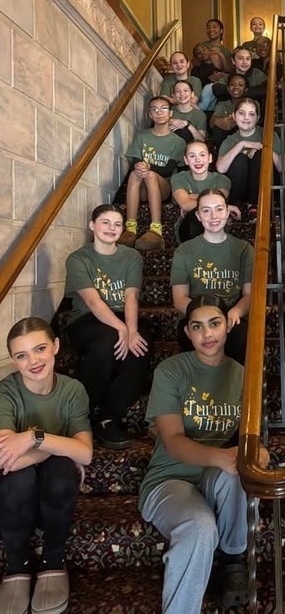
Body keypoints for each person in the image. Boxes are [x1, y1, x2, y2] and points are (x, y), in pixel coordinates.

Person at [139, 295, 269, 614]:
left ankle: (234, 560)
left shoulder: (243, 375)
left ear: (227, 326)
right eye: (197, 327)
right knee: (200, 525)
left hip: (214, 481)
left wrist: (258, 454)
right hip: (169, 479)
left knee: (236, 471)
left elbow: (253, 437)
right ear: (188, 333)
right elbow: (172, 441)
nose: (207, 334)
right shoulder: (171, 370)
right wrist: (223, 458)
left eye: (214, 324)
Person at [0, 317, 92, 614]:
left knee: (63, 472)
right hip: (15, 493)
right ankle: (17, 563)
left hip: (55, 490)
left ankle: (54, 559)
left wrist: (33, 437)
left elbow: (85, 454)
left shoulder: (73, 390)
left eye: (40, 349)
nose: (33, 361)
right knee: (20, 478)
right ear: (14, 360)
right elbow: (7, 460)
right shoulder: (6, 391)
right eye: (22, 355)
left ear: (56, 346)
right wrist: (57, 445)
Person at [65, 204, 151, 449]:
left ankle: (108, 416)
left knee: (140, 345)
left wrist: (131, 330)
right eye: (105, 222)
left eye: (117, 224)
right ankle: (81, 414)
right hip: (85, 319)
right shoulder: (78, 258)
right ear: (92, 225)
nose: (112, 228)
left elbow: (131, 295)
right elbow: (93, 302)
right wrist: (121, 329)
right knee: (107, 341)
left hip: (122, 315)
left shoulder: (132, 257)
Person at [171, 190, 253, 365]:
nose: (213, 216)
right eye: (206, 210)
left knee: (239, 340)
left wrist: (234, 313)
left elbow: (249, 294)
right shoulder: (184, 251)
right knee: (193, 338)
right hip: (195, 313)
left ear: (227, 212)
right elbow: (179, 299)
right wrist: (206, 318)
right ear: (198, 216)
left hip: (232, 313)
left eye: (219, 209)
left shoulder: (244, 249)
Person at [119, 96, 186, 251]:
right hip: (142, 187)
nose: (159, 112)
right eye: (154, 109)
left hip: (163, 187)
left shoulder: (178, 141)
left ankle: (156, 228)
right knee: (134, 174)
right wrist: (139, 165)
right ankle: (130, 228)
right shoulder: (142, 136)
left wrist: (148, 166)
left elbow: (168, 169)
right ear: (150, 114)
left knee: (150, 175)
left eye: (164, 109)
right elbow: (135, 160)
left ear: (170, 113)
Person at [216, 97, 285, 220]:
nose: (246, 118)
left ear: (258, 118)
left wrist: (265, 150)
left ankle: (255, 205)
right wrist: (241, 144)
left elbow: (284, 169)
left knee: (260, 155)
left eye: (252, 114)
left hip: (263, 188)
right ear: (234, 116)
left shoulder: (269, 134)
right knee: (240, 159)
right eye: (242, 113)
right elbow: (221, 168)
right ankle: (234, 205)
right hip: (239, 189)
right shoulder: (229, 140)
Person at [170, 141, 239, 243]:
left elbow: (218, 202)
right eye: (192, 156)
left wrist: (191, 196)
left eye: (202, 155)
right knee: (195, 218)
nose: (198, 160)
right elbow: (185, 204)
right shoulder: (178, 178)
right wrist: (210, 201)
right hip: (188, 227)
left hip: (216, 225)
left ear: (210, 158)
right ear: (186, 160)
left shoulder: (222, 180)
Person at [208, 73, 248, 151]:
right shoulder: (222, 104)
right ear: (228, 89)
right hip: (225, 138)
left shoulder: (252, 104)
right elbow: (211, 123)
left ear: (246, 90)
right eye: (232, 85)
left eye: (240, 85)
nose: (236, 87)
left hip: (244, 138)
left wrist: (235, 121)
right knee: (218, 129)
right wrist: (218, 121)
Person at [168, 80, 207, 144]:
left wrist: (188, 125)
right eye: (178, 91)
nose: (182, 94)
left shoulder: (200, 115)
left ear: (192, 94)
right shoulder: (168, 111)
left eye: (185, 90)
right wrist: (170, 121)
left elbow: (201, 140)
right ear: (174, 95)